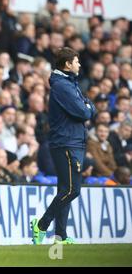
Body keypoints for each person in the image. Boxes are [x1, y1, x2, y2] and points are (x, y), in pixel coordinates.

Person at [31, 47, 96, 245]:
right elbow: (85, 111)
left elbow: (88, 106)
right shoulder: (62, 85)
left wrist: (87, 106)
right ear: (68, 64)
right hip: (67, 142)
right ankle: (41, 225)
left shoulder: (68, 83)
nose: (79, 64)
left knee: (64, 190)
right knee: (72, 190)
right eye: (77, 61)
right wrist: (86, 107)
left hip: (72, 141)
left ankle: (60, 236)